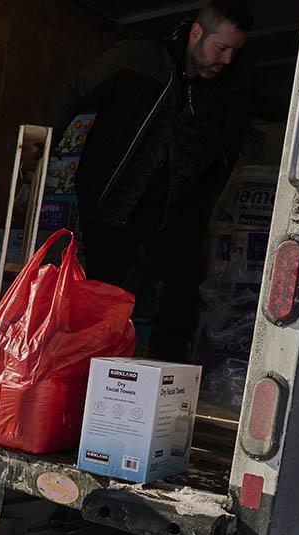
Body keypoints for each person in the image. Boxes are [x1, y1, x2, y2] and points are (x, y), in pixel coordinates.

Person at [43, 0, 255, 362]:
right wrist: (39, 148)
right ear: (196, 33)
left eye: (235, 51)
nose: (227, 60)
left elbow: (225, 156)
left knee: (186, 282)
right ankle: (87, 373)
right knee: (101, 294)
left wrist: (203, 208)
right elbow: (74, 91)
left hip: (173, 212)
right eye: (222, 48)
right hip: (114, 201)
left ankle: (165, 375)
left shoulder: (229, 93)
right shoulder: (137, 58)